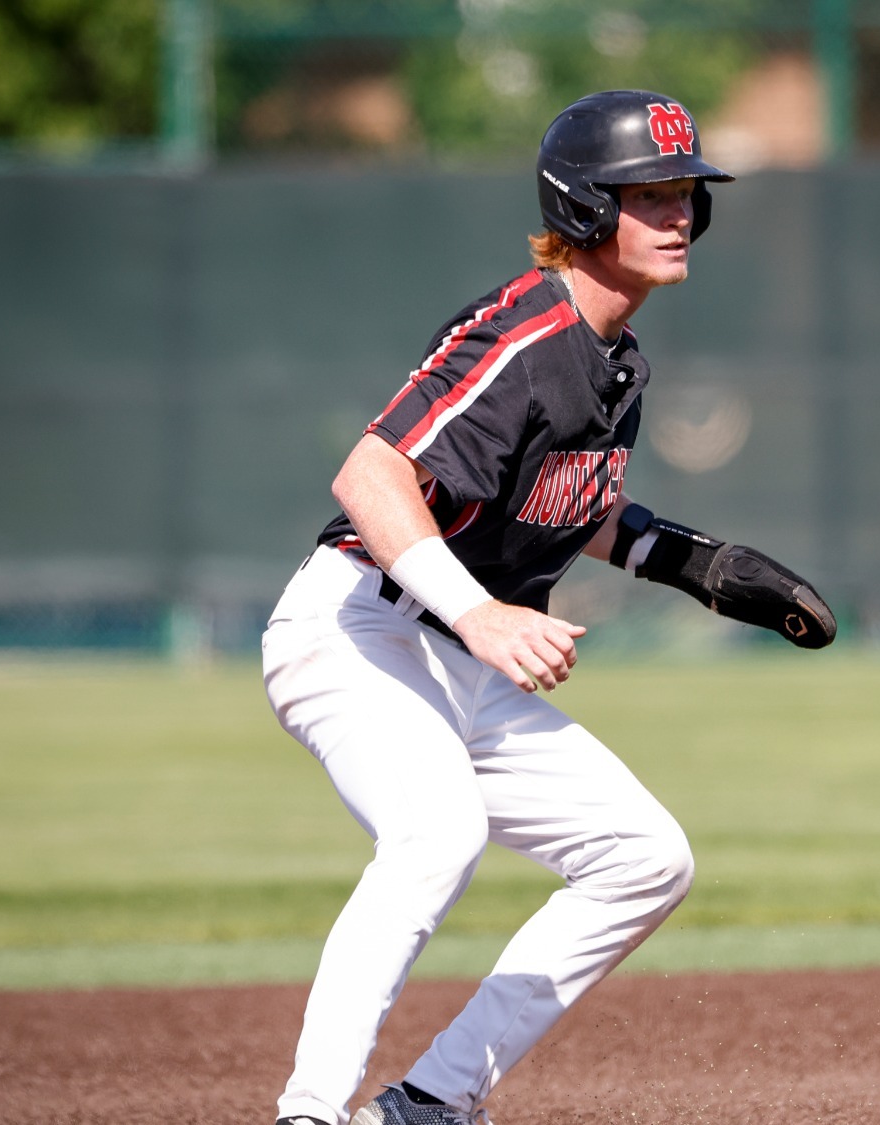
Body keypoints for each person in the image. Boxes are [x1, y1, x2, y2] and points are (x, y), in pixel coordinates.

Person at [260, 90, 836, 1125]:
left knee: (644, 858)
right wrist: (482, 614)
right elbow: (370, 474)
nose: (677, 213)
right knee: (436, 833)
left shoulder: (616, 360)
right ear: (582, 206)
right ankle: (308, 1111)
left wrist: (688, 561)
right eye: (648, 194)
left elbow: (566, 504)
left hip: (459, 658)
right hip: (360, 630)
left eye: (685, 194)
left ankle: (432, 1100)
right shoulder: (523, 332)